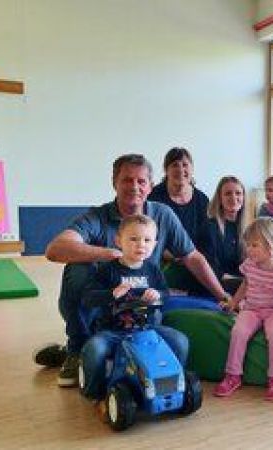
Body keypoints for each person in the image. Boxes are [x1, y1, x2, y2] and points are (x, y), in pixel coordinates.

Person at [35, 154, 230, 387]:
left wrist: (223, 296)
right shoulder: (97, 217)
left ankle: (96, 355)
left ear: (150, 186)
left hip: (143, 316)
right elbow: (55, 249)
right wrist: (111, 254)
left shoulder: (162, 215)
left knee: (176, 341)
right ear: (114, 183)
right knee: (77, 268)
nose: (135, 187)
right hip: (104, 309)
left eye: (141, 181)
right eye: (127, 180)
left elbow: (193, 257)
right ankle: (77, 348)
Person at [79, 214, 189, 401]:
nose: (141, 245)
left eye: (147, 240)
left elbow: (165, 294)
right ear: (118, 241)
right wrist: (112, 294)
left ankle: (174, 385)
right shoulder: (107, 270)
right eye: (133, 239)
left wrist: (158, 295)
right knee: (94, 349)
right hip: (112, 331)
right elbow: (88, 298)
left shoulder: (153, 270)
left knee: (180, 341)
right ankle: (94, 392)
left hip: (147, 330)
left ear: (155, 244)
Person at [213, 217, 273, 401]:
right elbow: (245, 285)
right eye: (248, 245)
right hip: (252, 308)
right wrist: (233, 303)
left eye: (254, 245)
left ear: (270, 245)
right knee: (238, 331)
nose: (249, 249)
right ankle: (233, 375)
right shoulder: (250, 264)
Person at [148, 147, 210, 294]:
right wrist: (172, 255)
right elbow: (147, 234)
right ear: (166, 170)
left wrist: (191, 256)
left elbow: (206, 238)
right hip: (163, 258)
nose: (181, 169)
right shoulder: (153, 196)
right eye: (175, 165)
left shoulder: (202, 200)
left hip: (193, 257)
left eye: (185, 165)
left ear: (192, 168)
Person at [200, 176, 247, 294]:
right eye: (228, 193)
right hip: (217, 285)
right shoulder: (209, 227)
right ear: (220, 199)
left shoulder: (249, 228)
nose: (234, 198)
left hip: (243, 283)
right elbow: (210, 268)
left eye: (238, 193)